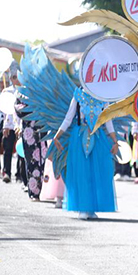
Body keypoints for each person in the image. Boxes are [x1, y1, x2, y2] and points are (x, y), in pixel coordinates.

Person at [52, 87, 118, 220]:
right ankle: (83, 207)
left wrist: (115, 141)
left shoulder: (102, 97)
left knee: (95, 172)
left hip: (98, 138)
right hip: (79, 138)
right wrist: (57, 136)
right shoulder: (78, 96)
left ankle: (91, 208)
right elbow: (68, 119)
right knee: (82, 172)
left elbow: (108, 120)